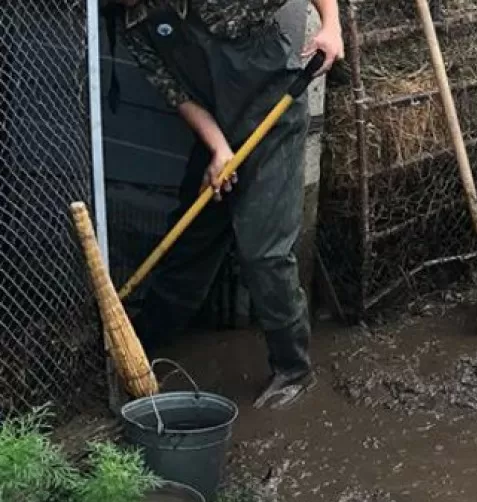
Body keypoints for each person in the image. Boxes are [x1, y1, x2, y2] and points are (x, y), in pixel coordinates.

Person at [107, 0, 344, 409]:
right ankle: (144, 343)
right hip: (220, 129)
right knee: (191, 240)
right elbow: (177, 94)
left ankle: (294, 368)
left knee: (264, 253)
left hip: (273, 116)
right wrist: (218, 151)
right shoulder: (133, 26)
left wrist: (331, 26)